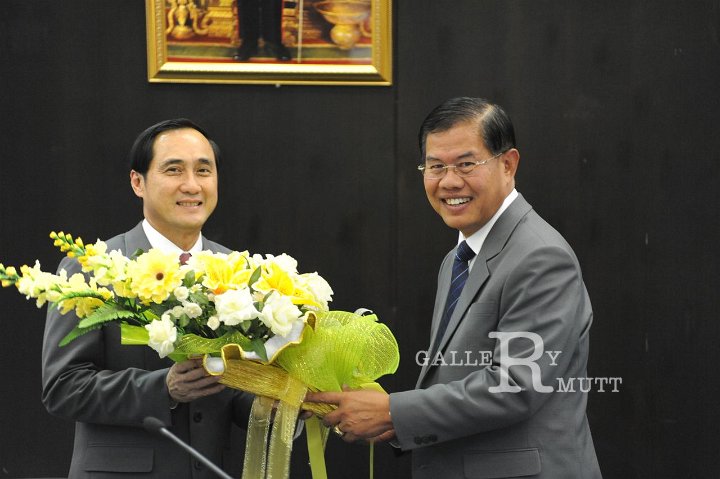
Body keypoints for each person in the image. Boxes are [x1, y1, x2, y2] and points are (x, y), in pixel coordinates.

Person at [307, 97, 602, 478]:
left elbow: (515, 386)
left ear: (508, 164)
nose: (449, 181)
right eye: (435, 166)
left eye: (466, 164)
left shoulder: (540, 256)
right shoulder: (459, 257)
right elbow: (459, 381)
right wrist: (392, 421)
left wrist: (393, 413)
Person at [41, 118, 254, 478]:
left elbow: (235, 391)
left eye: (204, 170)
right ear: (137, 182)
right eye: (174, 170)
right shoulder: (93, 269)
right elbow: (63, 387)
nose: (192, 185)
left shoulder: (237, 270)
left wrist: (280, 405)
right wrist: (163, 388)